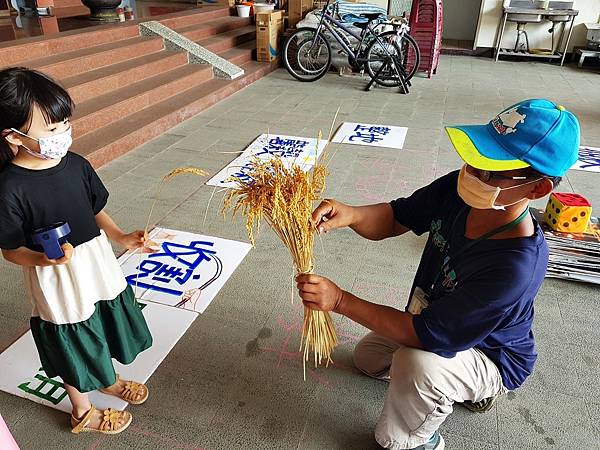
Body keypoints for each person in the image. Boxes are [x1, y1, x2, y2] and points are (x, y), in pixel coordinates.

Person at [297, 99, 580, 450]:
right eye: (472, 159)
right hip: (438, 320)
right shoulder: (463, 191)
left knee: (415, 364)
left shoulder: (515, 266)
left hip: (490, 354)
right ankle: (446, 383)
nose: (472, 174)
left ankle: (420, 439)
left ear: (537, 189)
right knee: (369, 359)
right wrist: (352, 214)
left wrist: (340, 301)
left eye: (490, 169)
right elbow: (396, 217)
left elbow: (427, 334)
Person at [0, 68, 154, 435]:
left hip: (95, 262)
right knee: (72, 335)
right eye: (51, 130)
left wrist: (120, 236)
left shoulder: (77, 165)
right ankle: (81, 409)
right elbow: (8, 250)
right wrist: (42, 259)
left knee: (98, 321)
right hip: (57, 277)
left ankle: (107, 379)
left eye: (65, 123)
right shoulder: (9, 188)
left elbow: (94, 209)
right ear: (12, 136)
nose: (63, 135)